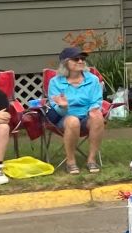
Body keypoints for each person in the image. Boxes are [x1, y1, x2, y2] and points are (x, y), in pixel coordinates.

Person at [45, 46, 106, 174]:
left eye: (82, 58)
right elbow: (56, 111)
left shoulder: (92, 80)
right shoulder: (55, 82)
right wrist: (63, 106)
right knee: (73, 121)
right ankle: (71, 161)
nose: (80, 61)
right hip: (64, 117)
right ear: (65, 63)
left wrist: (93, 109)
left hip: (86, 116)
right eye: (76, 59)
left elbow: (96, 100)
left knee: (97, 116)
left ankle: (91, 159)